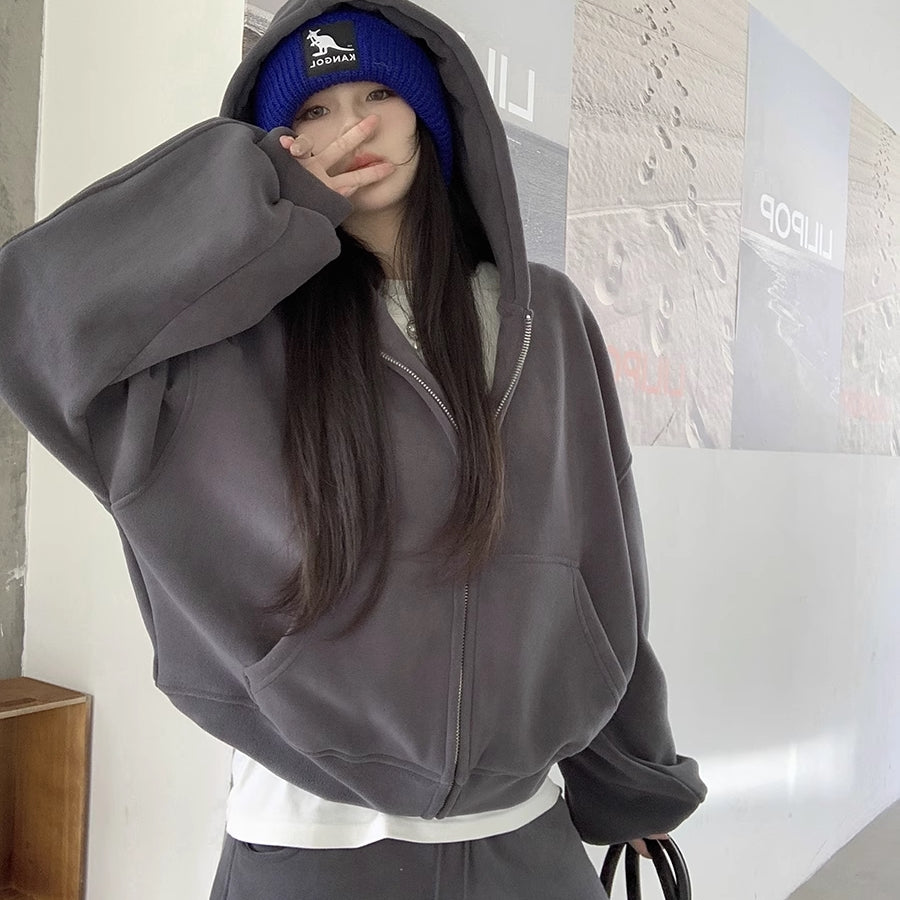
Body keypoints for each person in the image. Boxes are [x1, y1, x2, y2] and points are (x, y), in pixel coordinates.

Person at [0, 0, 706, 897]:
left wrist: (631, 783)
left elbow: (601, 568)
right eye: (314, 111)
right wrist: (264, 197)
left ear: (430, 115)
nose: (354, 128)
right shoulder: (217, 350)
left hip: (527, 842)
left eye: (379, 94)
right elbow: (34, 315)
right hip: (307, 846)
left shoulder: (549, 318)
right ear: (277, 143)